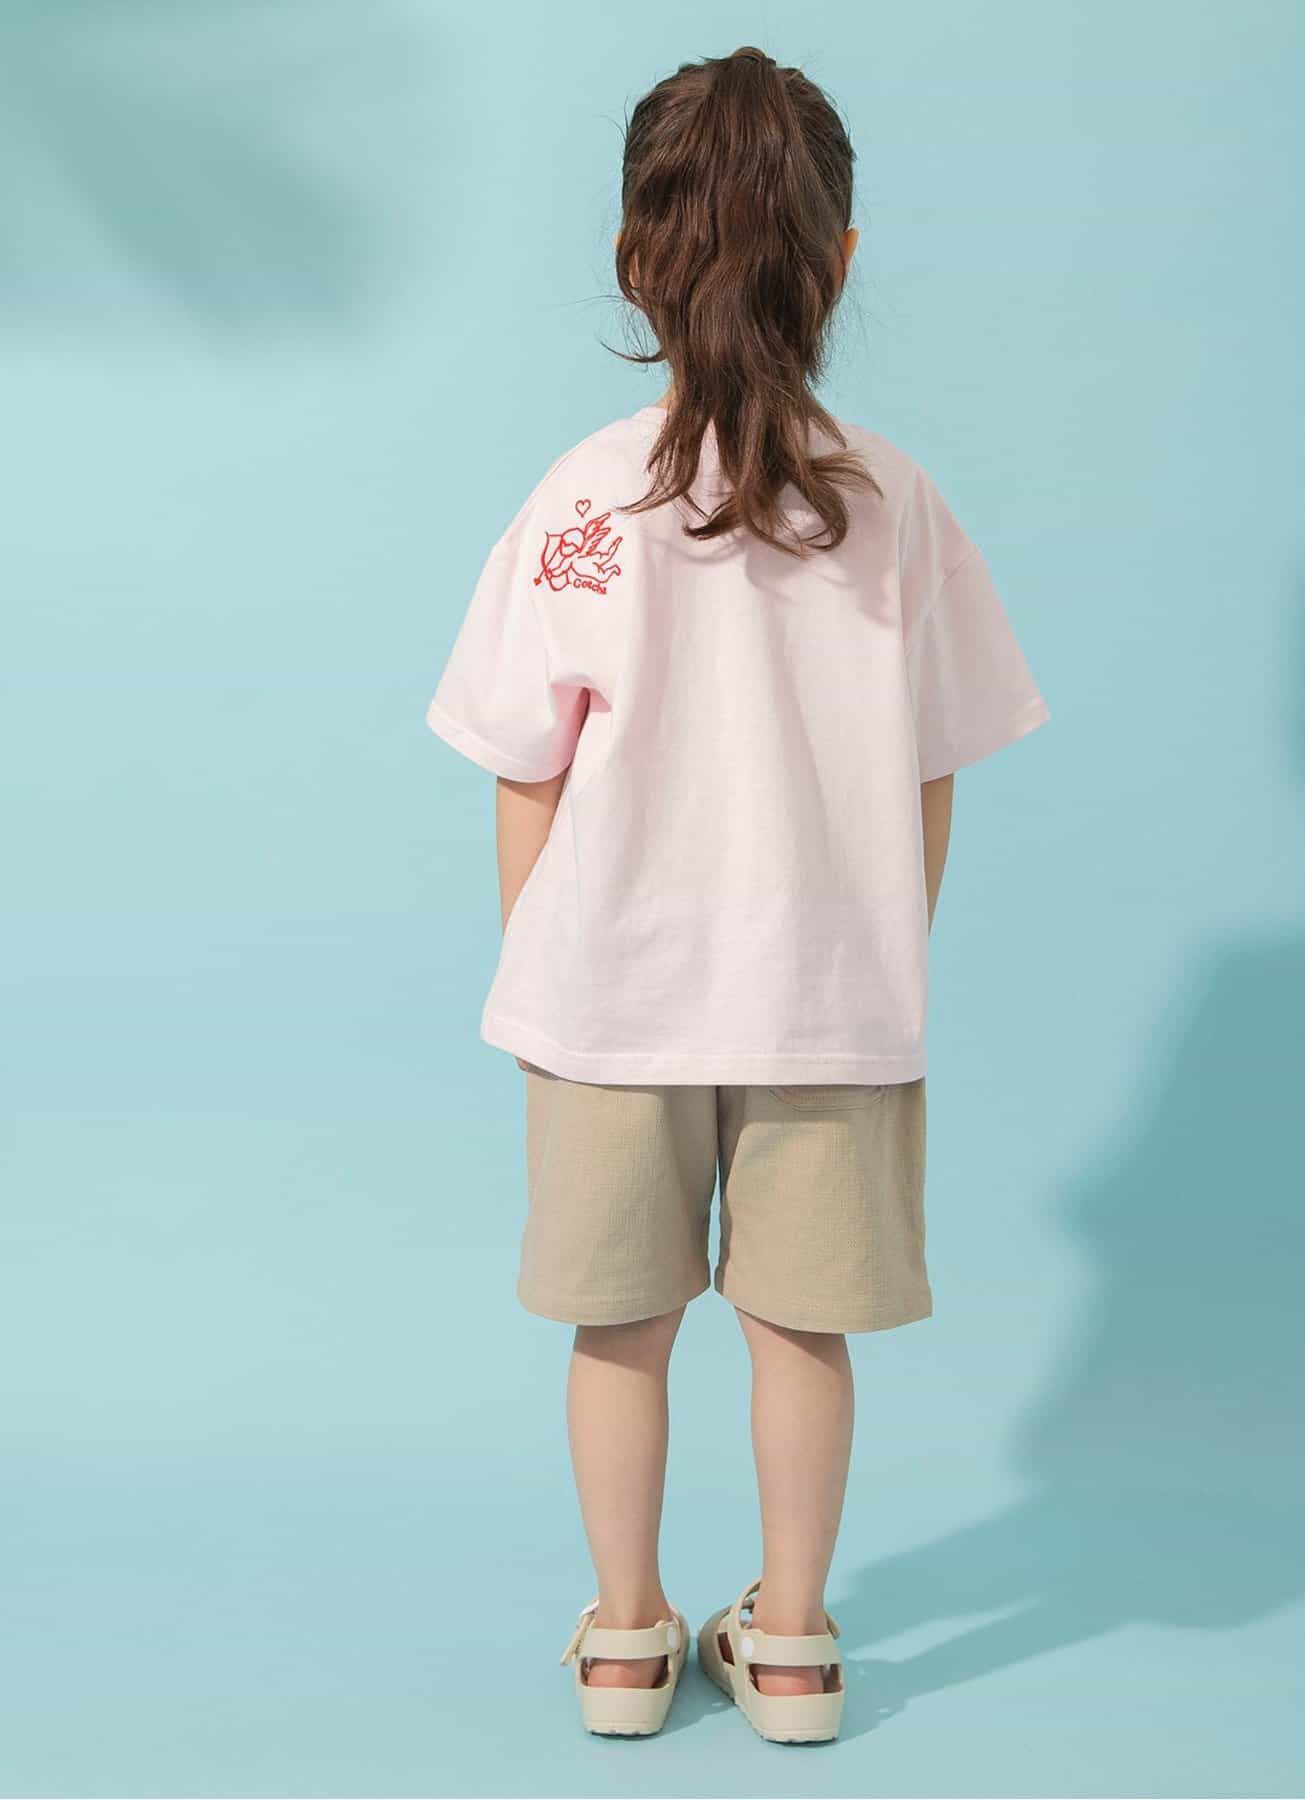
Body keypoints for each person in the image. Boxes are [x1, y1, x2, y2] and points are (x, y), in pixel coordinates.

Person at [427, 46, 1047, 1744]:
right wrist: (881, 961)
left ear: (637, 256)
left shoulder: (581, 501)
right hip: (831, 1001)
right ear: (838, 258)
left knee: (618, 1329)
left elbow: (525, 768)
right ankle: (789, 1643)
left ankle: (628, 1641)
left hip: (607, 998)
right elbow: (933, 764)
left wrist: (544, 972)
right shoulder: (894, 501)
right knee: (802, 1332)